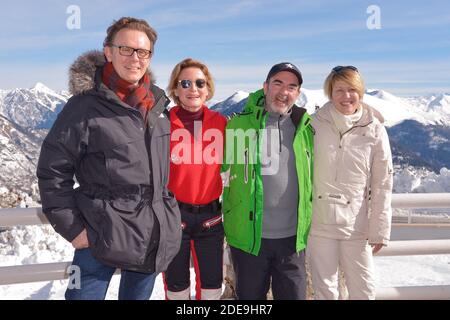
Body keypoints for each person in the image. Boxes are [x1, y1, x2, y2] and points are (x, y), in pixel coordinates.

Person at [36, 17, 181, 300]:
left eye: (143, 52)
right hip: (98, 237)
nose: (135, 59)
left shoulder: (158, 106)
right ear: (108, 51)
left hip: (150, 235)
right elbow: (52, 171)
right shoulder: (84, 106)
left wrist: (168, 218)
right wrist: (74, 229)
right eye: (125, 49)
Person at [222, 62, 314, 300]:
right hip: (250, 239)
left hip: (293, 242)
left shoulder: (306, 128)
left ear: (298, 93)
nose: (284, 92)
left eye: (292, 86)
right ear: (265, 87)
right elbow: (218, 171)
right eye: (278, 83)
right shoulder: (238, 124)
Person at [307, 66, 393, 300]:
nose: (346, 96)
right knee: (325, 291)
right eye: (339, 90)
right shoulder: (313, 125)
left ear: (361, 92)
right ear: (330, 92)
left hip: (357, 226)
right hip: (319, 224)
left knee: (364, 291)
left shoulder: (374, 129)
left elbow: (383, 183)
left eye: (352, 90)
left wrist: (380, 230)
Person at [163, 58, 227, 300]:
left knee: (212, 289)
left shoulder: (221, 124)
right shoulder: (163, 124)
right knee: (176, 289)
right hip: (174, 216)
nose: (193, 89)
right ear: (176, 89)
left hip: (211, 218)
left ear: (208, 88)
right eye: (186, 83)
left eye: (200, 83)